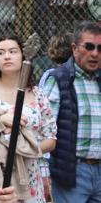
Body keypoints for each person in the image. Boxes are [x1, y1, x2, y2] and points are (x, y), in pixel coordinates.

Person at [0, 36, 56, 202]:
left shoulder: (38, 95)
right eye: (1, 53)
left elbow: (50, 138)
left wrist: (24, 148)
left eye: (12, 51)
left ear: (23, 56)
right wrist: (0, 120)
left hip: (30, 176)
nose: (6, 56)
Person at [43, 21, 101, 202]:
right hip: (72, 172)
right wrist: (43, 172)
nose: (95, 53)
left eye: (100, 48)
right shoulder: (58, 79)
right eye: (89, 47)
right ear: (75, 48)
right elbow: (45, 129)